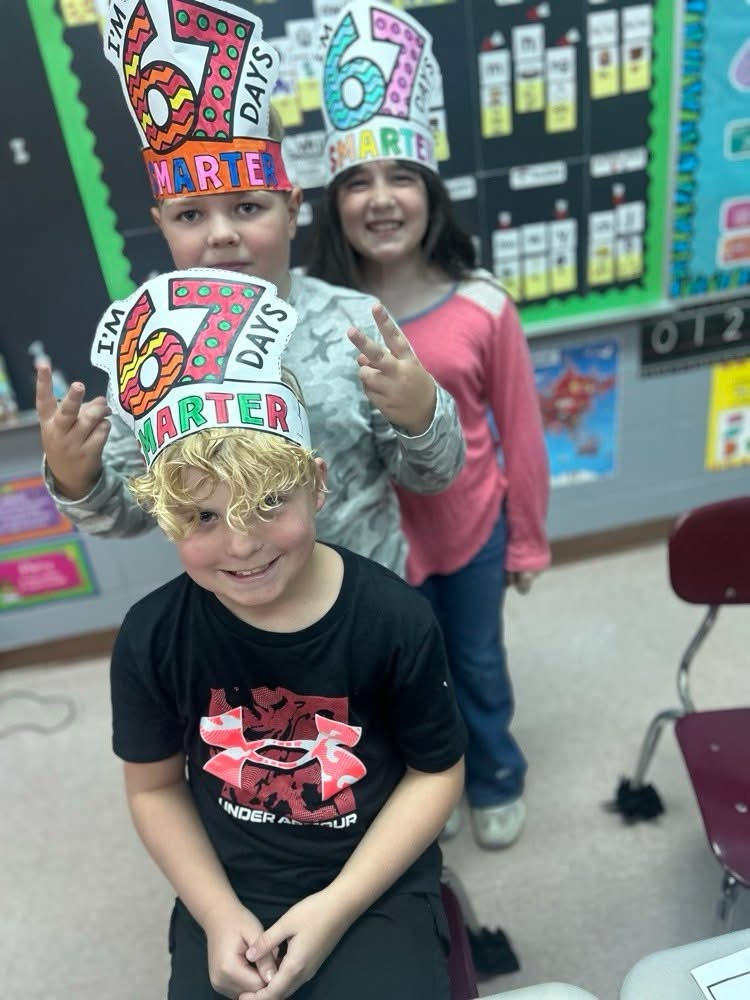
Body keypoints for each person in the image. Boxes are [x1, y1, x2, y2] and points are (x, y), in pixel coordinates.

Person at [97, 269, 466, 1000]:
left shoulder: (394, 620)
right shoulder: (151, 638)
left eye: (269, 502)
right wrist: (215, 910)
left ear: (317, 485)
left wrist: (338, 906)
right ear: (170, 519)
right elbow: (153, 789)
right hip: (230, 884)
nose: (241, 545)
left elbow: (437, 771)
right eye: (203, 517)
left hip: (371, 880)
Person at [35, 0, 464, 581]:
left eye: (246, 207)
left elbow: (431, 478)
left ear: (290, 211)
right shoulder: (147, 342)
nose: (221, 235)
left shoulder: (357, 324)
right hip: (239, 621)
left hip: (371, 604)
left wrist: (421, 416)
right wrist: (74, 476)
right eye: (191, 216)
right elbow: (127, 515)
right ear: (161, 224)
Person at [306, 0, 550, 850]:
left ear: (430, 193)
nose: (380, 200)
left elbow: (522, 434)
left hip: (471, 526)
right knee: (404, 677)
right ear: (333, 202)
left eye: (400, 177)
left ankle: (494, 775)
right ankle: (427, 792)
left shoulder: (484, 305)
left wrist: (527, 542)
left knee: (478, 663)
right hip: (371, 544)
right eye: (357, 183)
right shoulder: (314, 315)